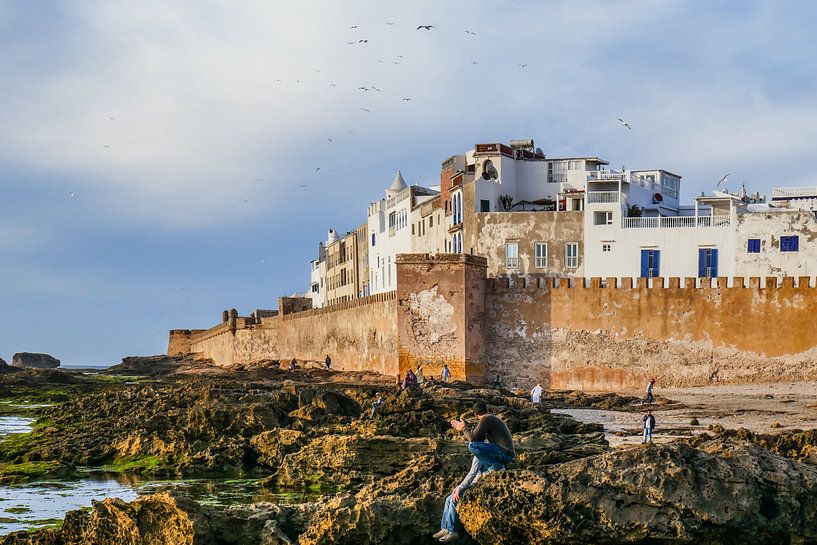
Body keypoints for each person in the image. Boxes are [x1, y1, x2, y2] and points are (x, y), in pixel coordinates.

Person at [450, 400, 515, 471]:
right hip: (506, 454)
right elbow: (478, 439)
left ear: (475, 414)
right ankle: (488, 471)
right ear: (486, 409)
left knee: (472, 446)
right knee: (477, 452)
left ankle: (496, 466)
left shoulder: (486, 419)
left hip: (504, 454)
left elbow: (472, 439)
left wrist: (463, 428)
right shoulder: (491, 418)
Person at [433, 456, 482, 542]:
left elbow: (472, 474)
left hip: (478, 484)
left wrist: (460, 488)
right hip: (473, 483)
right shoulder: (480, 452)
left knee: (454, 499)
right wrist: (459, 487)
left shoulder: (479, 455)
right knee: (448, 499)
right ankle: (445, 528)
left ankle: (453, 531)